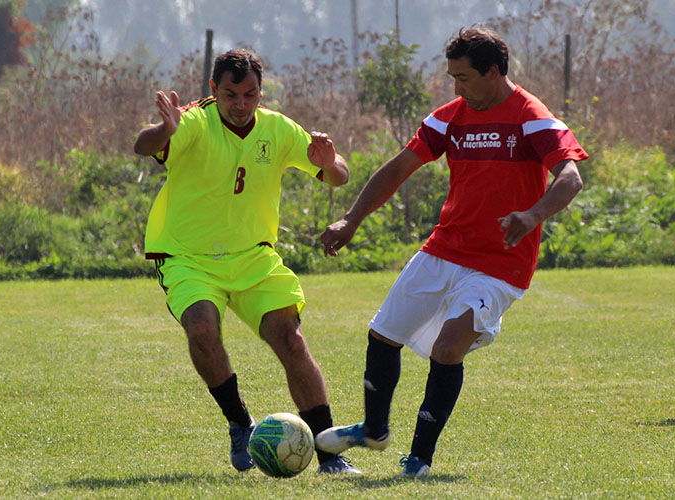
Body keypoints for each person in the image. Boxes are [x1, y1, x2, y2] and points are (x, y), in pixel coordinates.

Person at [315, 27, 588, 477]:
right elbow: (399, 168)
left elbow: (570, 177)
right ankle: (374, 429)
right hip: (444, 248)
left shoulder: (532, 116)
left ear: (494, 71)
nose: (456, 87)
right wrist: (351, 219)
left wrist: (531, 215)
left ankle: (419, 460)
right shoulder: (451, 117)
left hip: (500, 263)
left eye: (463, 78)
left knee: (448, 347)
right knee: (383, 334)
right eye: (452, 78)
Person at [133, 49, 359, 474]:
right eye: (230, 94)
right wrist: (164, 129)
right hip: (187, 256)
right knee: (201, 327)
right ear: (214, 90)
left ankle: (330, 453)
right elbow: (142, 146)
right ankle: (240, 425)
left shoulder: (276, 128)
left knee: (290, 339)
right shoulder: (193, 120)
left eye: (250, 94)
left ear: (260, 92)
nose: (240, 104)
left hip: (254, 257)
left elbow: (338, 174)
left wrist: (330, 164)